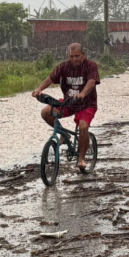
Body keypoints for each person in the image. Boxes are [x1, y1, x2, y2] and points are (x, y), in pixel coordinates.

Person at [32, 43, 100, 171]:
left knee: (83, 126)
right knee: (46, 112)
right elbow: (50, 79)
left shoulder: (91, 66)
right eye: (72, 56)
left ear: (84, 55)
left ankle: (82, 159)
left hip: (87, 104)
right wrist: (39, 90)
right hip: (69, 102)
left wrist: (83, 93)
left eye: (77, 56)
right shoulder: (63, 67)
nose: (74, 59)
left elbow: (91, 82)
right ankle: (64, 135)